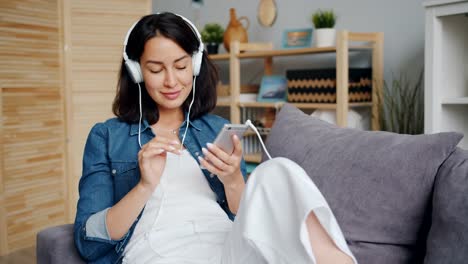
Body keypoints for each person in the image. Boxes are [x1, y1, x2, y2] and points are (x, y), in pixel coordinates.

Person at [74, 12, 356, 264]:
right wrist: (144, 186)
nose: (172, 81)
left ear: (195, 65)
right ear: (137, 72)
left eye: (181, 66)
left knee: (277, 169)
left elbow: (244, 217)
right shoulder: (107, 136)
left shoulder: (215, 129)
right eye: (157, 70)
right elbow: (88, 240)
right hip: (159, 252)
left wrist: (233, 180)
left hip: (228, 247)